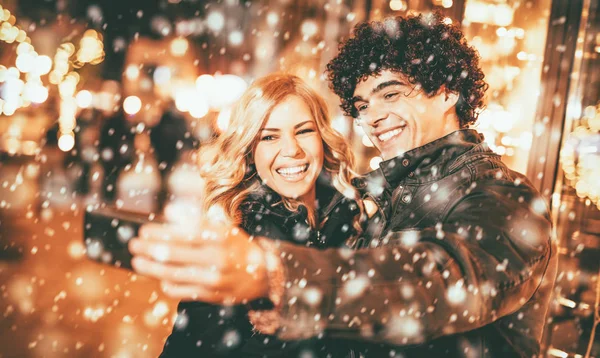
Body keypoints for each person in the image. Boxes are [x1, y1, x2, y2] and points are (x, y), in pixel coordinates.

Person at [130, 12, 558, 358]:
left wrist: (277, 276)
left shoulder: (501, 194)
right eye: (362, 105)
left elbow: (446, 280)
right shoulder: (383, 200)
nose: (372, 117)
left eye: (392, 94)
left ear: (447, 91)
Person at [142, 73, 365, 357]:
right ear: (249, 151)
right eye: (269, 136)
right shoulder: (235, 244)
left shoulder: (354, 219)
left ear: (322, 136)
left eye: (304, 131)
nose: (292, 149)